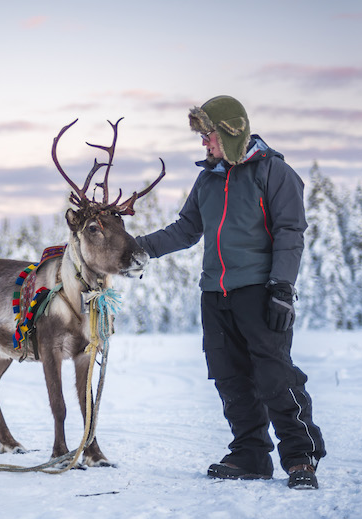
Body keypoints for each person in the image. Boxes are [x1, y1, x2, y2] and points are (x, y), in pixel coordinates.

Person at [136, 95, 325, 490]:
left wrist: (282, 287)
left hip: (260, 290)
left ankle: (300, 456)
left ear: (231, 131)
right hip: (215, 294)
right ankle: (251, 453)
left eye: (209, 135)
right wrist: (139, 249)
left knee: (275, 373)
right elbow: (186, 229)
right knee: (230, 377)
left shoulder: (274, 172)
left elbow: (291, 232)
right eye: (202, 136)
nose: (204, 143)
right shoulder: (208, 179)